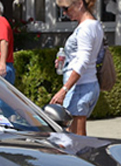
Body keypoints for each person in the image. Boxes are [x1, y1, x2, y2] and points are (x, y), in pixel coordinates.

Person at [48, 0, 103, 136]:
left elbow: (83, 62)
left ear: (79, 4)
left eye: (66, 8)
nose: (65, 13)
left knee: (77, 141)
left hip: (80, 87)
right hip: (86, 84)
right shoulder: (94, 25)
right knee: (72, 136)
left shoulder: (85, 28)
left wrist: (64, 90)